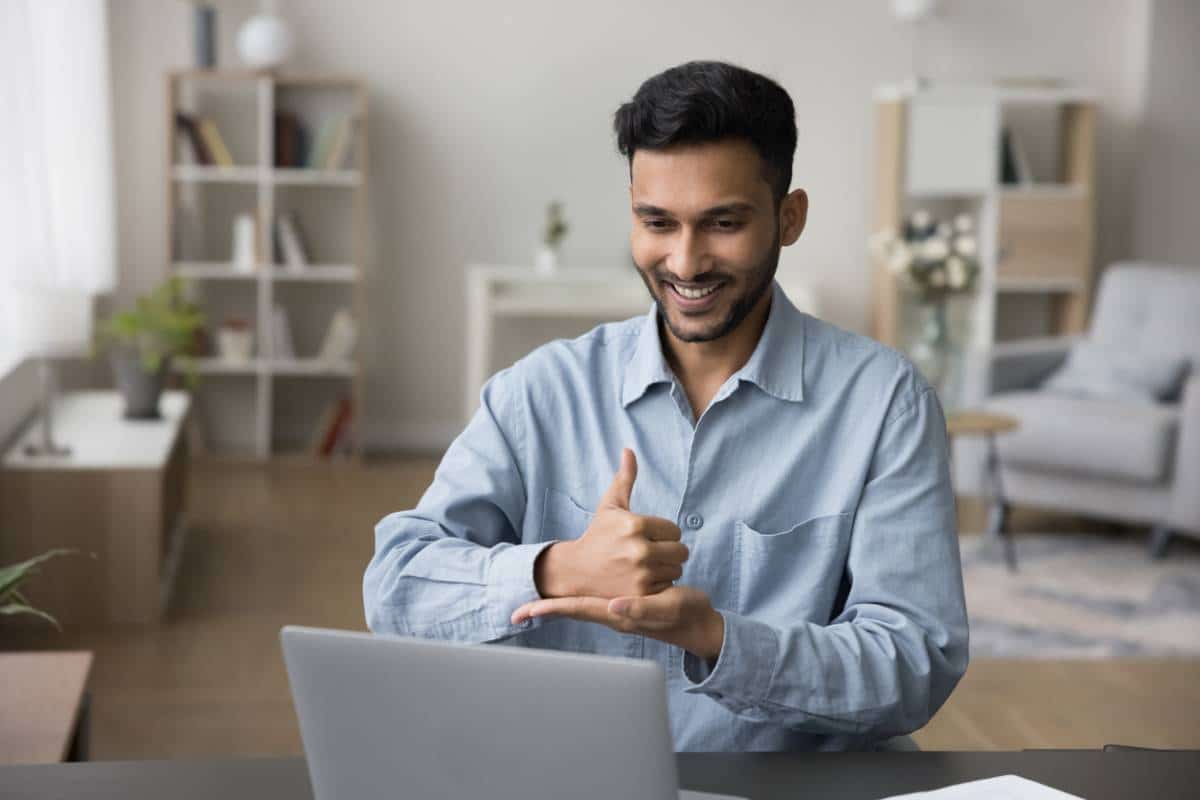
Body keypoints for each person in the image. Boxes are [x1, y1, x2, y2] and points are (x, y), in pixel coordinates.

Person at [364, 60, 968, 752]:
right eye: (658, 222)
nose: (684, 262)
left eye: (723, 223)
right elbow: (395, 587)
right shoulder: (540, 390)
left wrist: (719, 641)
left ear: (789, 217)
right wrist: (558, 567)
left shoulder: (885, 403)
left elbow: (916, 660)